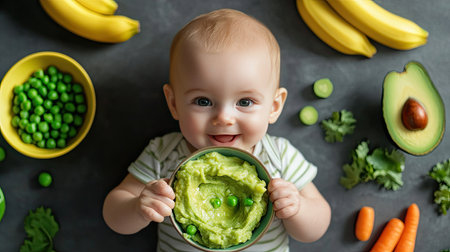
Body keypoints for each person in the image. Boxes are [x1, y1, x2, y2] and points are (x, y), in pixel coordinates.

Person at [103, 8, 331, 251]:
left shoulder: (280, 156)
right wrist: (138, 207)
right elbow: (114, 216)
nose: (223, 118)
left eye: (244, 102)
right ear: (174, 103)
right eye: (203, 101)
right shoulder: (162, 153)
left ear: (274, 107)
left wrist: (298, 209)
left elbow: (316, 228)